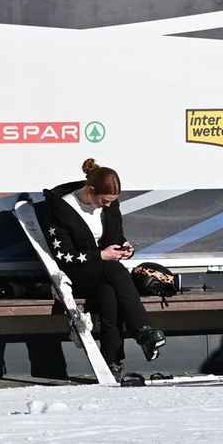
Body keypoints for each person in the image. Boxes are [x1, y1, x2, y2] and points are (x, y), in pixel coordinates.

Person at [43, 159, 165, 378]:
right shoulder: (60, 210)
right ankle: (143, 331)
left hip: (103, 272)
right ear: (91, 191)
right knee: (115, 271)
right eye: (105, 200)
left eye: (113, 201)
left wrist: (125, 248)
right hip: (74, 273)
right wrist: (101, 255)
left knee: (109, 293)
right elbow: (64, 258)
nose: (109, 205)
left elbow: (116, 238)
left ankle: (112, 361)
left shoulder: (109, 205)